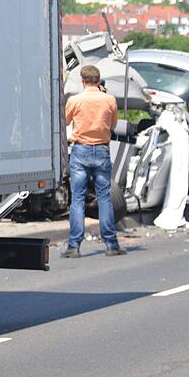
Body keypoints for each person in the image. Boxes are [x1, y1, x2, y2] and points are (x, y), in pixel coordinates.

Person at [62, 65, 125, 258]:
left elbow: (65, 121)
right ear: (98, 81)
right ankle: (111, 244)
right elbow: (113, 125)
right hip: (102, 150)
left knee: (78, 199)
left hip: (81, 150)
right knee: (104, 197)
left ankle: (74, 246)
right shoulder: (109, 100)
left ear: (82, 80)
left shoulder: (75, 100)